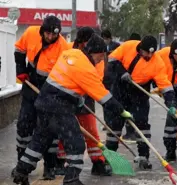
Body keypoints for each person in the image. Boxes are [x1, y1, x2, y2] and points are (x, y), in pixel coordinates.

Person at [12, 34, 133, 185]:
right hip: (59, 107)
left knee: (40, 141)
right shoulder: (86, 69)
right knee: (76, 144)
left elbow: (67, 79)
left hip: (44, 102)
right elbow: (103, 96)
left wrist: (77, 99)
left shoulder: (71, 53)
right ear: (93, 51)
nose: (102, 60)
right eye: (101, 56)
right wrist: (121, 110)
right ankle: (71, 179)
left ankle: (21, 171)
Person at [105, 36, 177, 169]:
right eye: (146, 52)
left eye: (152, 53)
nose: (149, 55)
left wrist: (171, 102)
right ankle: (109, 157)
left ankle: (144, 156)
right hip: (121, 88)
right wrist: (122, 72)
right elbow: (112, 60)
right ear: (140, 49)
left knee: (142, 123)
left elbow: (164, 85)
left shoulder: (157, 63)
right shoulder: (128, 46)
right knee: (115, 123)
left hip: (140, 91)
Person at [13, 15, 70, 180]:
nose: (50, 37)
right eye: (47, 34)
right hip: (31, 86)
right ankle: (21, 164)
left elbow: (66, 75)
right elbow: (19, 50)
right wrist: (20, 70)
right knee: (24, 125)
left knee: (49, 129)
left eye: (54, 35)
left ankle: (50, 166)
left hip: (50, 90)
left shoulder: (63, 48)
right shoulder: (31, 33)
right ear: (42, 30)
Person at [56, 27, 112, 176]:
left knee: (91, 130)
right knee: (65, 130)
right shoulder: (67, 50)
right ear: (80, 42)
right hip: (67, 96)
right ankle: (61, 160)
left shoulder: (96, 55)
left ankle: (97, 161)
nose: (89, 45)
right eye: (87, 42)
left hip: (86, 96)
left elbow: (96, 79)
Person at [120, 32, 142, 143]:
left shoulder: (125, 46)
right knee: (138, 109)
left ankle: (130, 133)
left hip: (126, 83)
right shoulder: (142, 48)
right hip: (139, 85)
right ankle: (138, 132)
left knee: (127, 109)